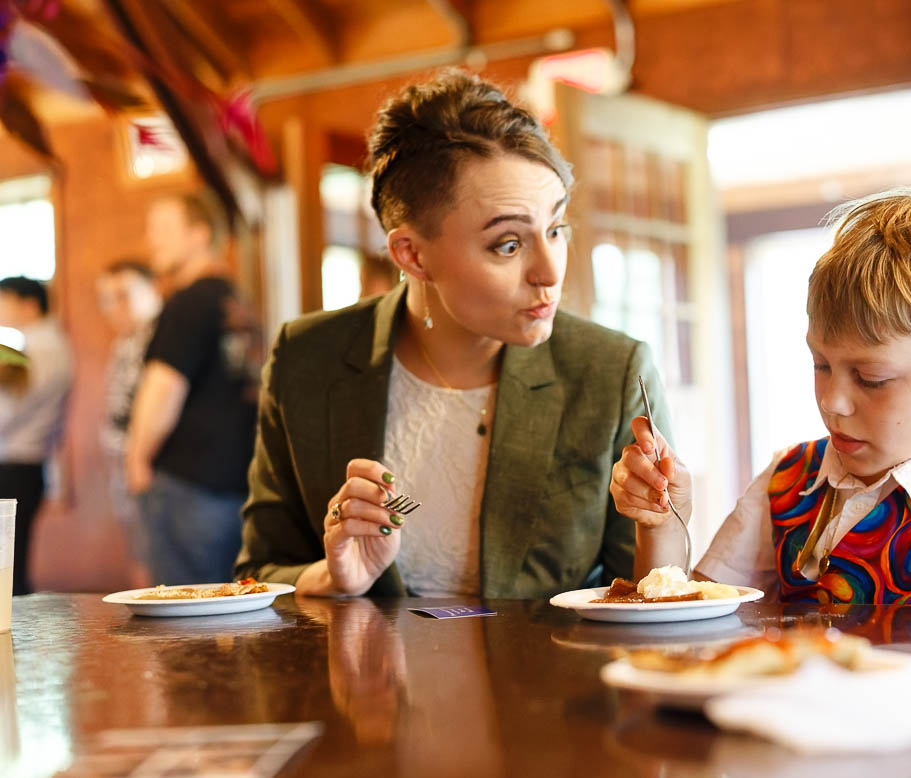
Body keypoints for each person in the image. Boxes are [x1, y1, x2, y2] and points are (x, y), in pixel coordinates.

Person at [235, 69, 669, 598]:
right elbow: (258, 573)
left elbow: (652, 596)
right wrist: (331, 577)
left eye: (555, 229)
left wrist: (667, 521)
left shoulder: (609, 371)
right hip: (366, 679)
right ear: (412, 254)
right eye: (508, 244)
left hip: (553, 679)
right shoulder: (309, 359)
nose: (551, 271)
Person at [612, 187, 911, 605]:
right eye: (821, 365)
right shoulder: (788, 480)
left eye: (871, 378)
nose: (833, 401)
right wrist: (664, 523)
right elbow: (693, 633)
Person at [127, 194, 260, 585]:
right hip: (234, 487)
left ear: (200, 235)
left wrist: (136, 460)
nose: (152, 241)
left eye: (163, 230)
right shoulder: (237, 302)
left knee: (180, 629)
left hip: (186, 487)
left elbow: (163, 387)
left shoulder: (187, 302)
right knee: (228, 619)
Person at [0, 277, 72, 595]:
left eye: (4, 300)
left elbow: (10, 408)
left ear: (29, 304)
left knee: (7, 570)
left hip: (16, 465)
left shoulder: (41, 347)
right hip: (22, 465)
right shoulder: (40, 344)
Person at [96, 260, 161, 586]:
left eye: (122, 295)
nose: (113, 308)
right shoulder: (125, 341)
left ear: (152, 290)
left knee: (156, 559)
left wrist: (139, 460)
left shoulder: (160, 338)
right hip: (125, 465)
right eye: (106, 298)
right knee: (140, 551)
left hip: (151, 468)